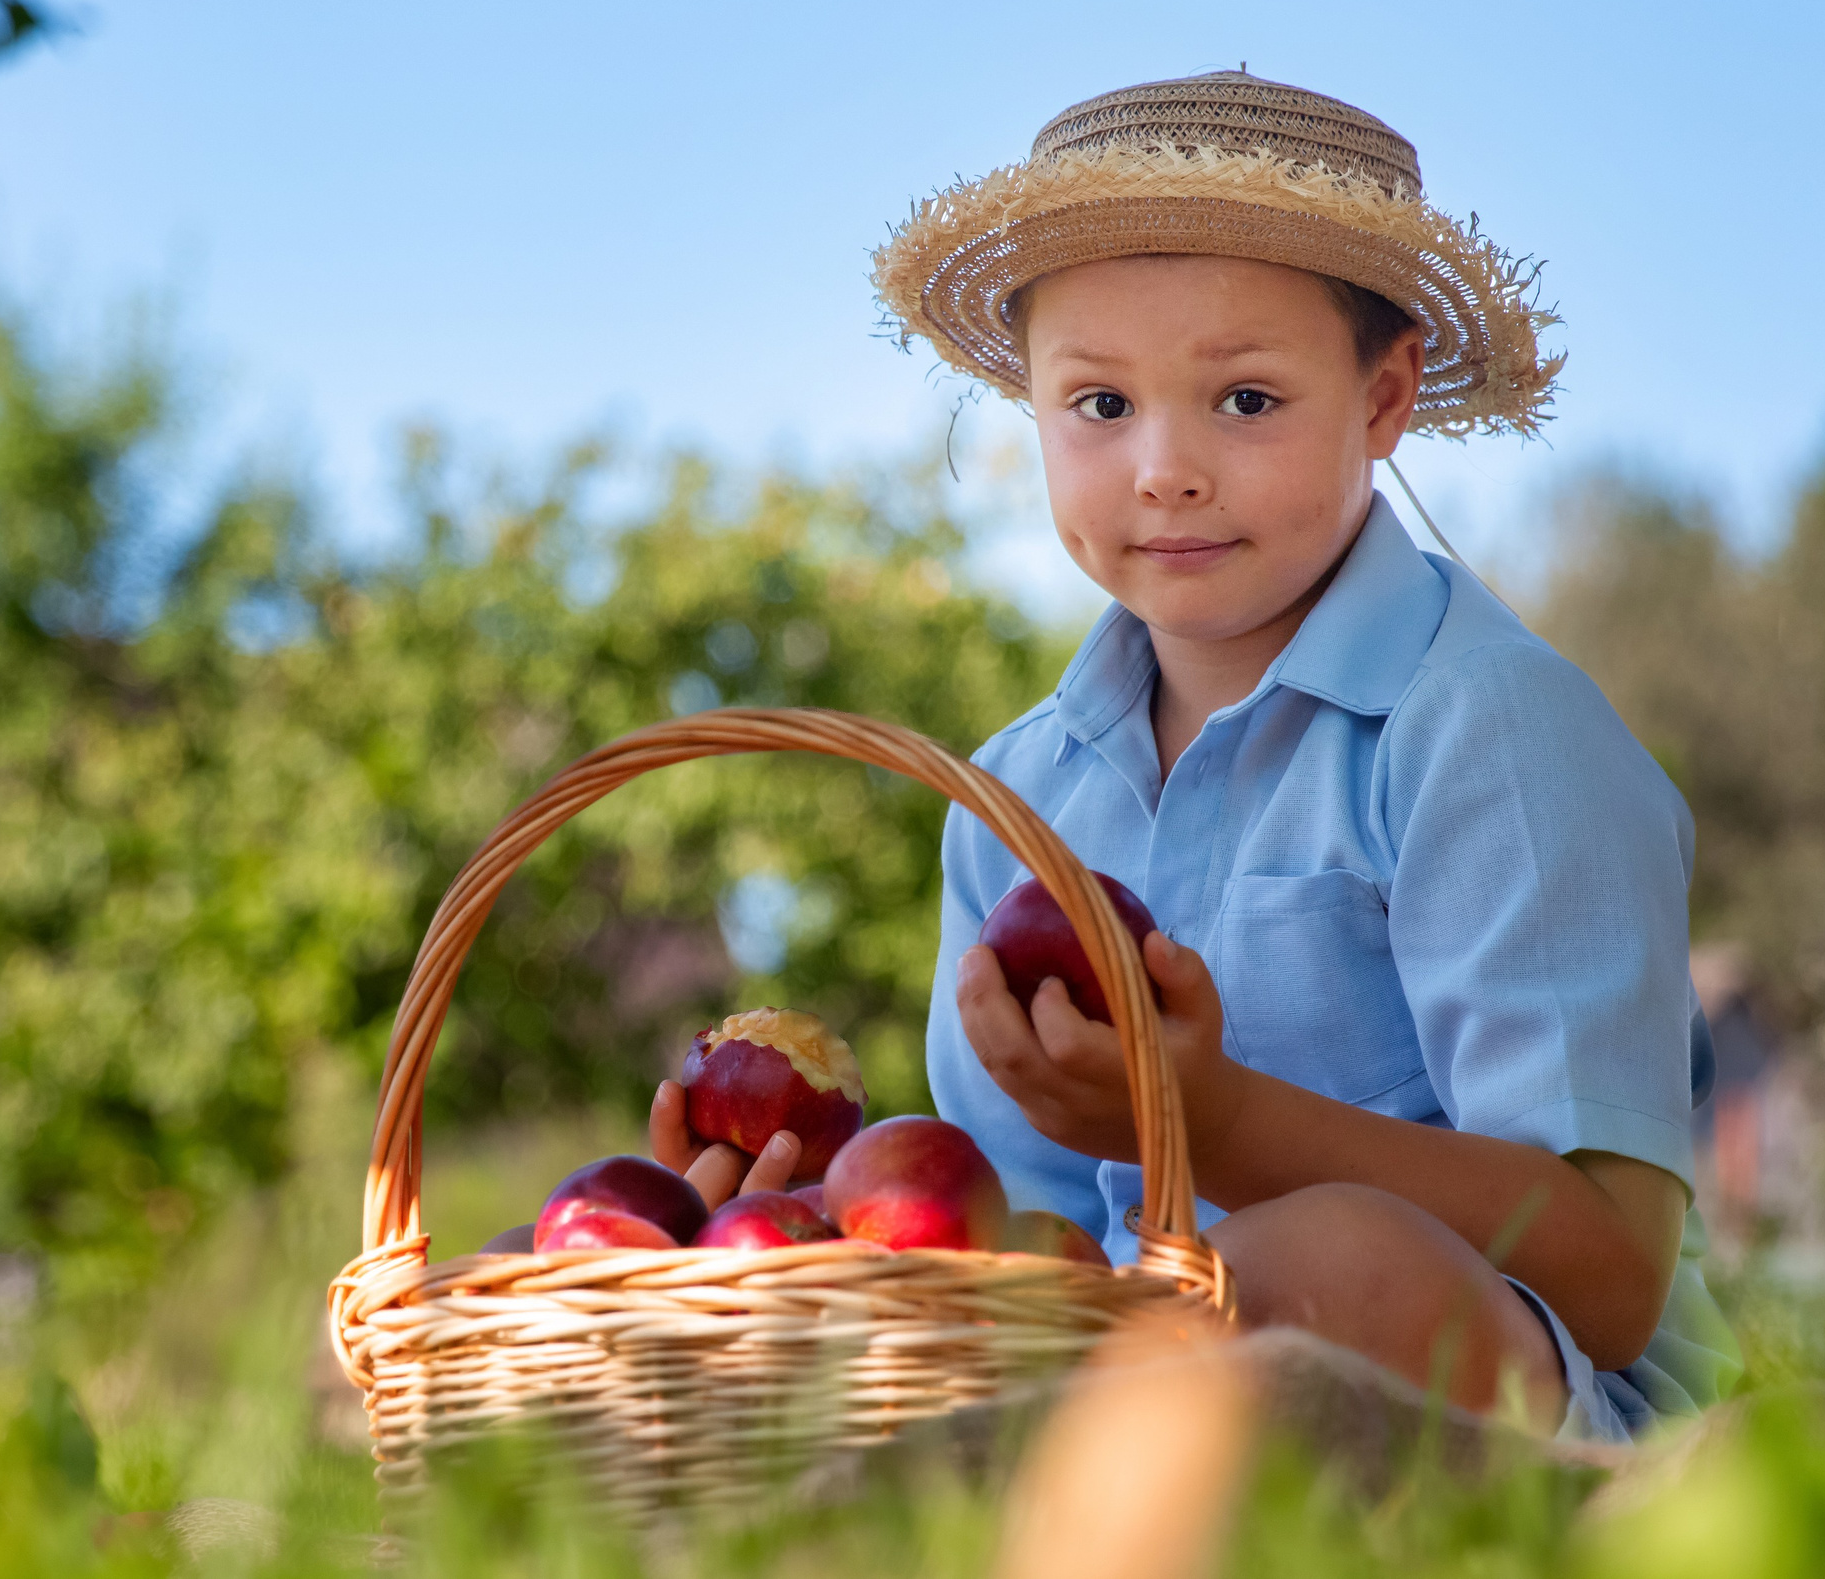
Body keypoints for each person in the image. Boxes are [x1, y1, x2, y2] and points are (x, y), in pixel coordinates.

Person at [655, 72, 1740, 1441]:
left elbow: (1611, 1271)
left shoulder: (1487, 728)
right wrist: (800, 1215)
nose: (1165, 467)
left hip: (1531, 1402)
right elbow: (1022, 1254)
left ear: (1386, 397)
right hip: (1126, 1398)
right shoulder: (1011, 802)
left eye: (1243, 399)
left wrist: (1209, 1115)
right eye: (1100, 407)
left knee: (1328, 1263)